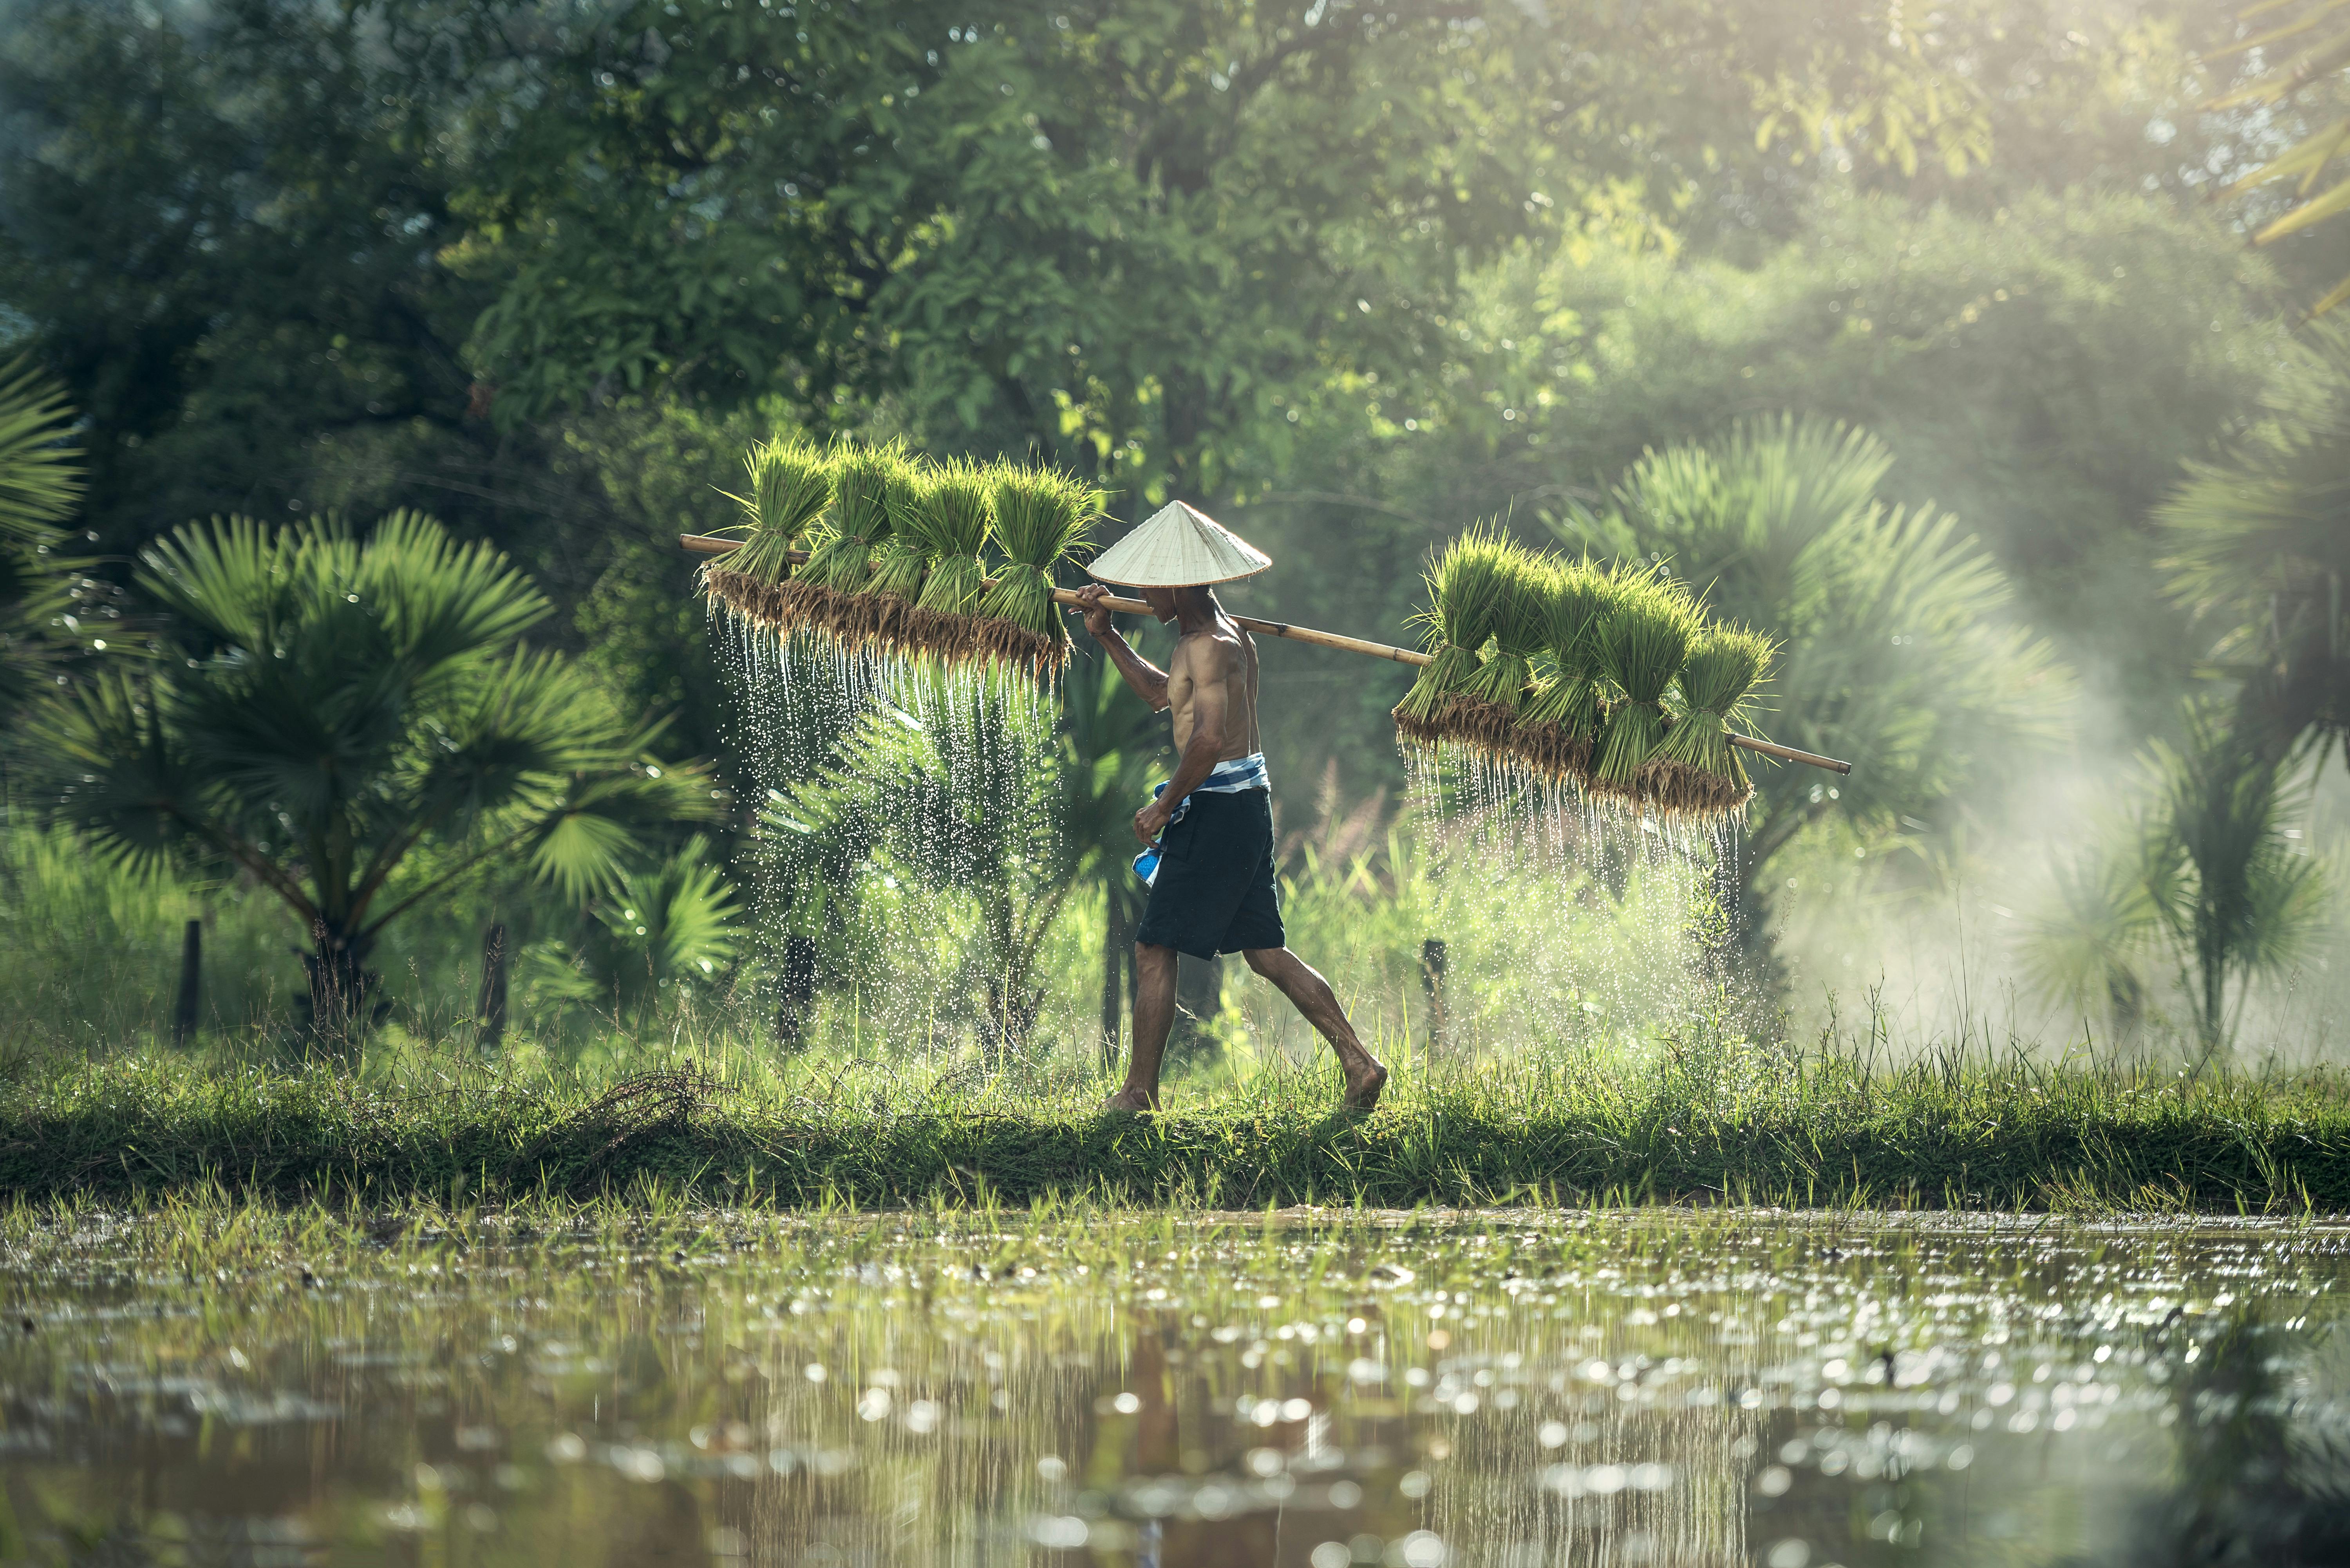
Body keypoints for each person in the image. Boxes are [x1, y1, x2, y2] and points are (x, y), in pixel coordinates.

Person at [1068, 500, 1388, 1113]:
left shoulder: (1213, 645)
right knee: (1265, 951)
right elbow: (1165, 697)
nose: (1142, 593)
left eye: (1149, 584)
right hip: (1243, 805)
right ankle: (1360, 1062)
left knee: (1154, 946)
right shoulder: (1214, 638)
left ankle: (1138, 1093)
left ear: (1177, 584)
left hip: (1218, 809)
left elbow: (1210, 741)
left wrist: (1165, 804)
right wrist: (1106, 635)